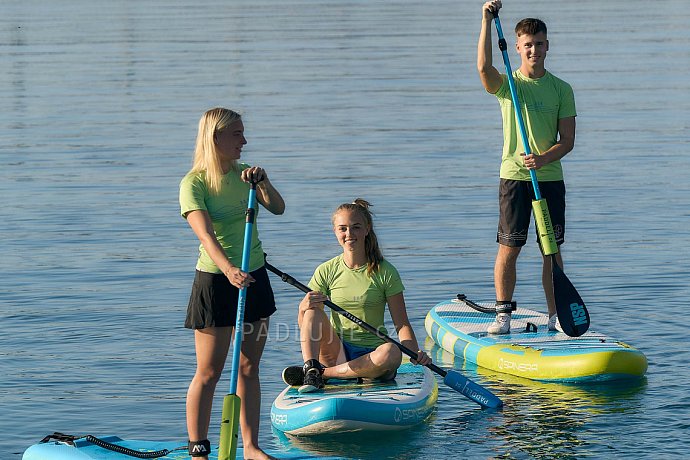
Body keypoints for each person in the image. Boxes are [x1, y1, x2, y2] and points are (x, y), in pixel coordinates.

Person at [179, 107, 285, 459]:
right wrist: (228, 270)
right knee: (209, 372)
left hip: (254, 277)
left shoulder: (246, 175)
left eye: (243, 133)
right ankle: (198, 447)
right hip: (215, 281)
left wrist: (263, 182)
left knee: (249, 367)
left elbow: (278, 208)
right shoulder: (194, 183)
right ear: (216, 138)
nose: (244, 140)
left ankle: (252, 447)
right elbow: (206, 235)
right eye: (237, 133)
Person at [477, 1, 577, 334]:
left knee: (551, 249)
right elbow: (483, 69)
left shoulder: (562, 89)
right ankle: (503, 315)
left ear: (548, 46)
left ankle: (556, 315)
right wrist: (486, 23)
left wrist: (544, 158)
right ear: (518, 47)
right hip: (514, 178)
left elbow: (567, 141)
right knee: (510, 246)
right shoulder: (509, 86)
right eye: (528, 45)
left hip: (549, 179)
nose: (534, 49)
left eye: (539, 43)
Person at [281, 199, 431, 393]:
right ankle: (311, 368)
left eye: (356, 227)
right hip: (337, 352)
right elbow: (308, 324)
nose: (349, 234)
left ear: (367, 229)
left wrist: (413, 352)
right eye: (343, 228)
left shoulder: (385, 272)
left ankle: (323, 374)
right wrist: (302, 308)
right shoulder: (326, 271)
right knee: (311, 311)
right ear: (335, 232)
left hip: (374, 357)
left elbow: (401, 324)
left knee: (392, 352)